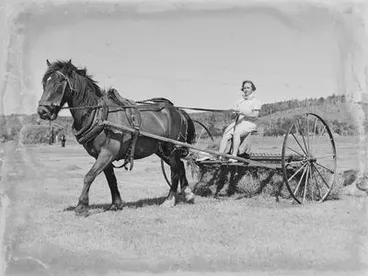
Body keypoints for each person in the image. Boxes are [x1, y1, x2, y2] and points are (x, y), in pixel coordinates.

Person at [219, 80, 262, 161]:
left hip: (250, 123)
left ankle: (234, 156)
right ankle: (220, 155)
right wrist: (233, 113)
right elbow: (233, 115)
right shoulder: (239, 101)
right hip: (238, 122)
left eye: (248, 88)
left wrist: (243, 113)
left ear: (252, 89)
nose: (246, 89)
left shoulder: (256, 102)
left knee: (237, 132)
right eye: (244, 88)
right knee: (226, 132)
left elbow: (255, 115)